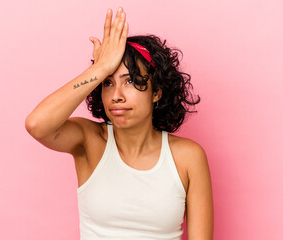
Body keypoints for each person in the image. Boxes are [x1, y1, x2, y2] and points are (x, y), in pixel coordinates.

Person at [25, 7, 213, 240]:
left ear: (157, 92)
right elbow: (37, 124)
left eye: (131, 82)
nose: (116, 95)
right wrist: (100, 67)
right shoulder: (89, 141)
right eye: (107, 83)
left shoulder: (188, 157)